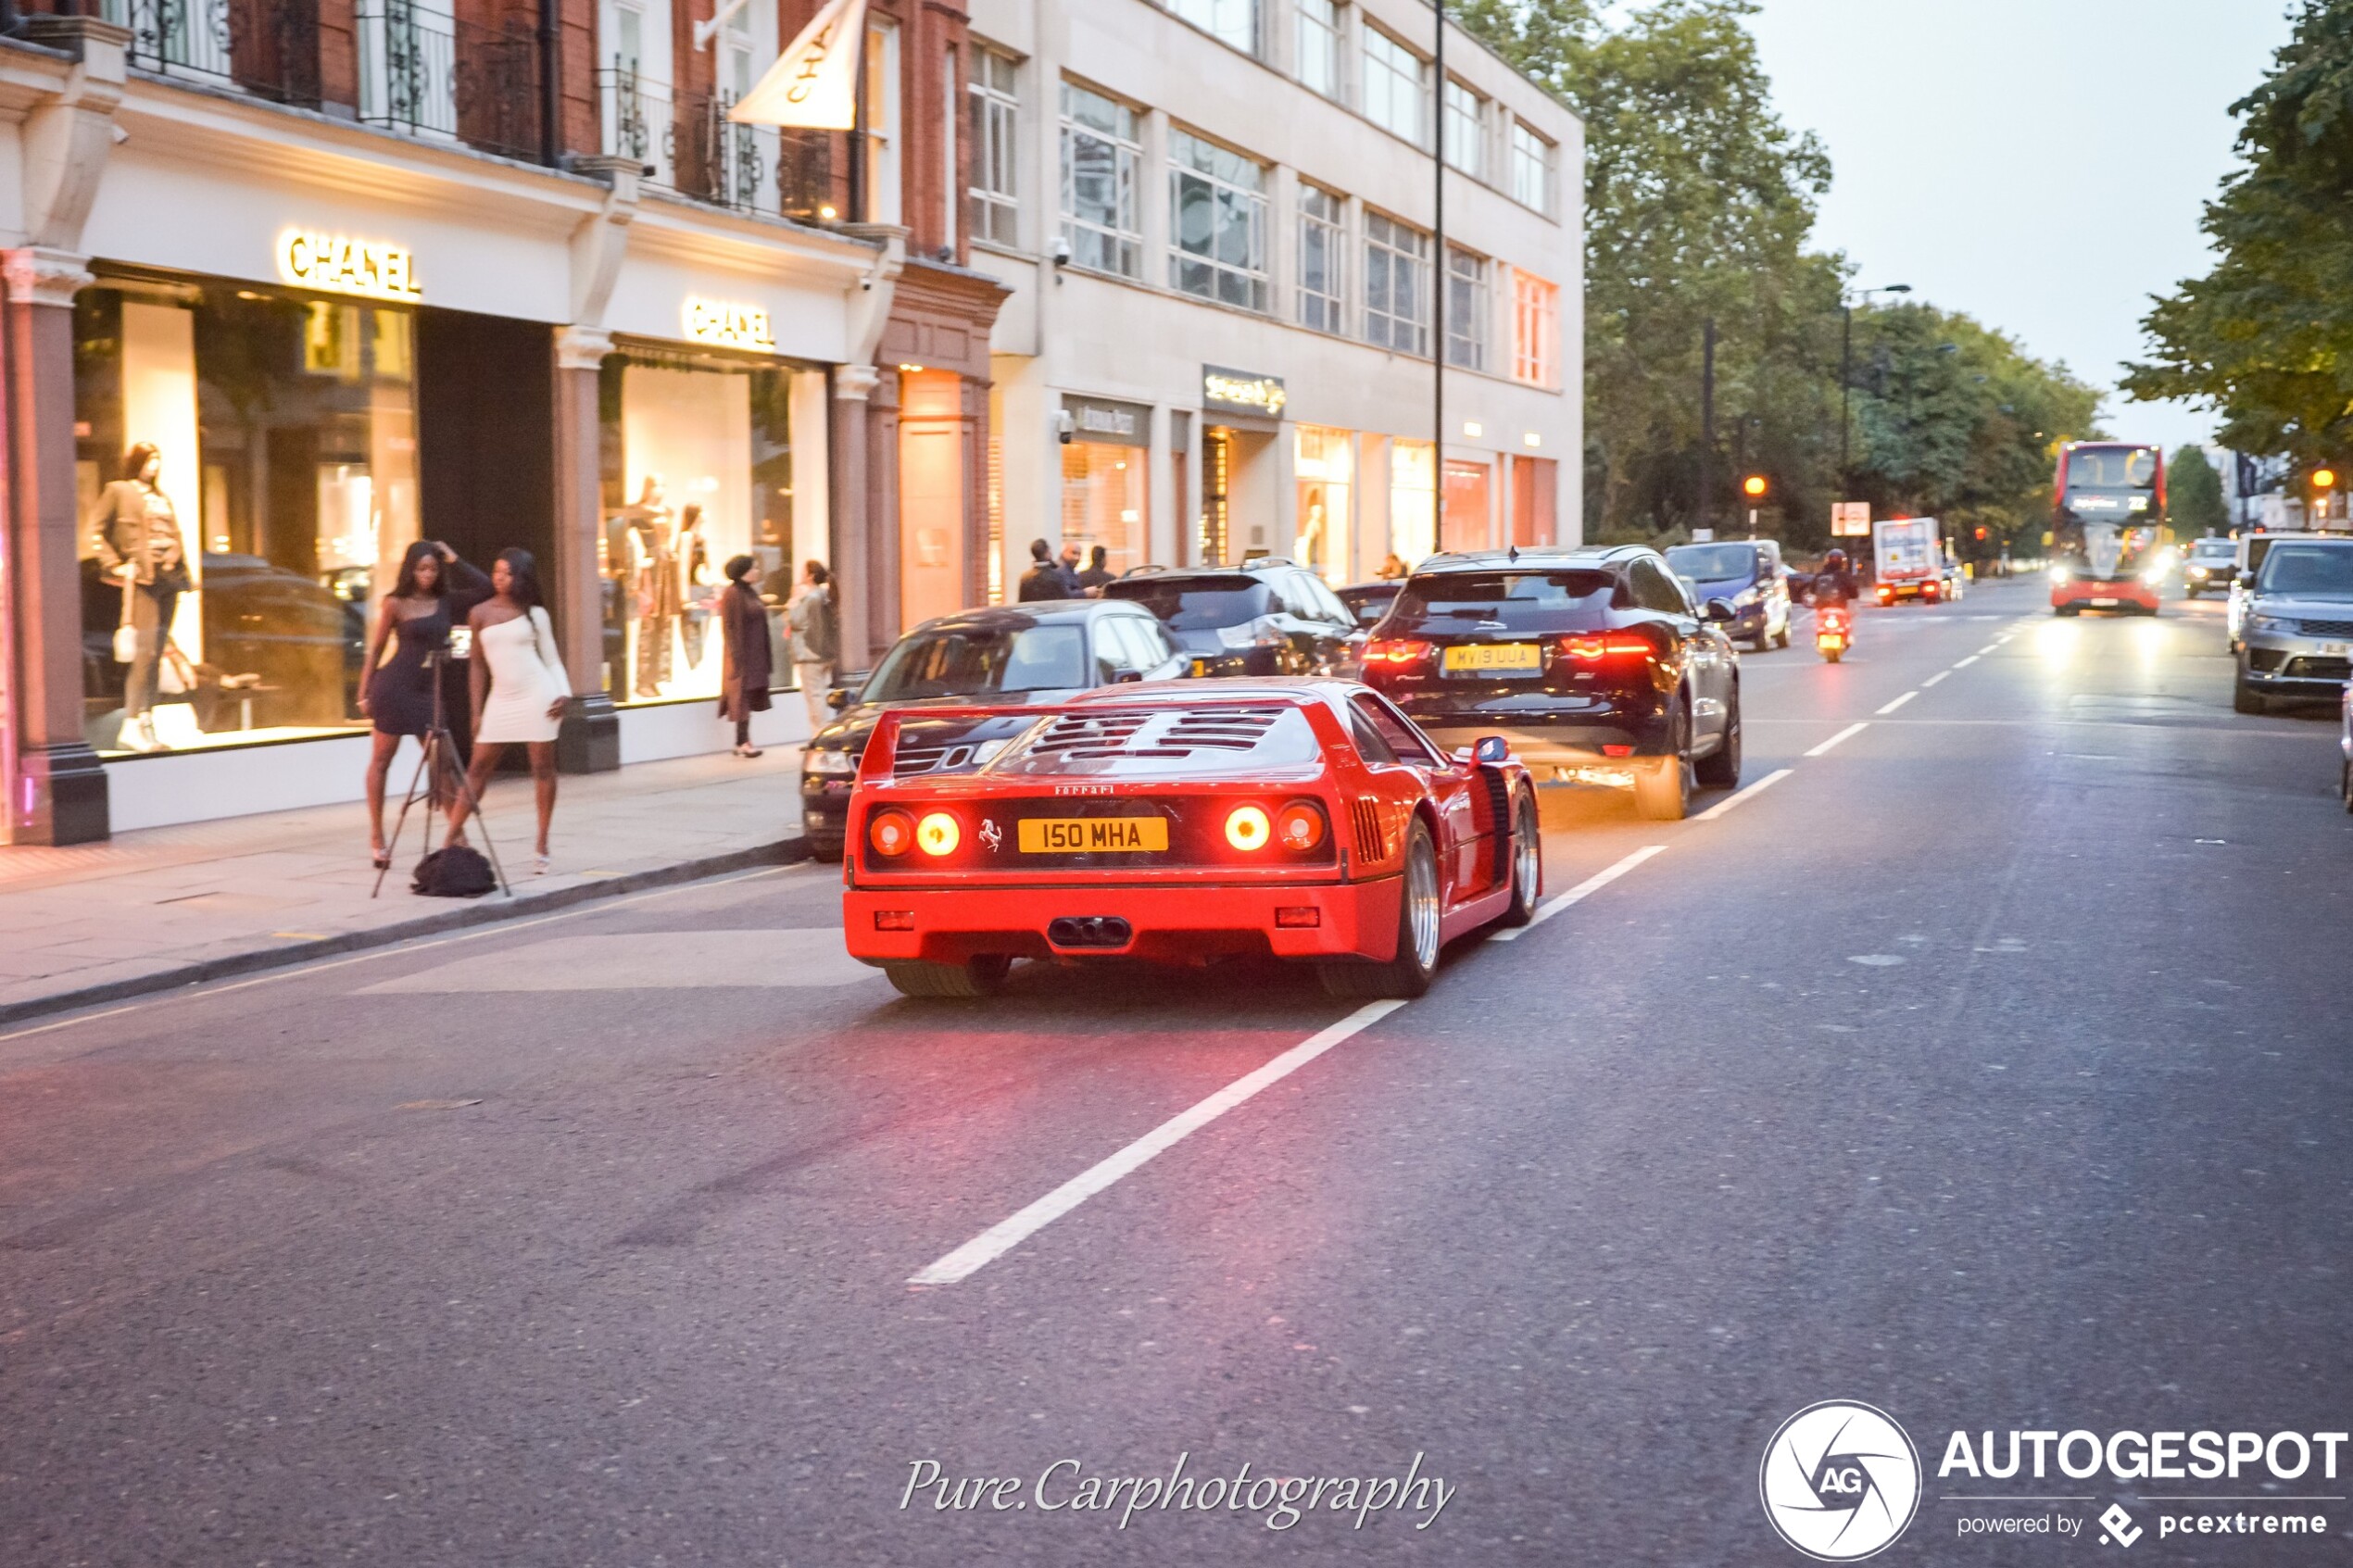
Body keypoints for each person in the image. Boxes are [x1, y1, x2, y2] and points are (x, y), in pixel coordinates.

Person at [359, 541, 486, 870]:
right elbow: (375, 650)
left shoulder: (446, 601)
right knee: (382, 760)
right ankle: (377, 836)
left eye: (433, 568)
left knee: (441, 765)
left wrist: (454, 557)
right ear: (410, 570)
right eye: (421, 568)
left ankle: (457, 837)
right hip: (394, 687)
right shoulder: (395, 603)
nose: (427, 574)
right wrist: (364, 691)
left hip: (429, 692)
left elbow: (485, 587)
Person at [446, 549, 570, 877]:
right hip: (500, 699)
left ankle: (542, 842)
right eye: (497, 572)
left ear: (522, 578)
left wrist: (564, 691)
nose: (500, 578)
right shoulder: (479, 613)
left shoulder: (536, 614)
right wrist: (475, 712)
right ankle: (448, 842)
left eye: (508, 574)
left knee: (542, 768)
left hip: (538, 695)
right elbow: (475, 664)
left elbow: (552, 659)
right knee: (477, 770)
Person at [89, 443, 189, 754]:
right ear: (137, 462)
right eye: (149, 459)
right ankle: (133, 723)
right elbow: (94, 530)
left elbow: (173, 533)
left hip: (169, 577)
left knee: (157, 651)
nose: (154, 465)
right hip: (144, 577)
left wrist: (175, 556)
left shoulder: (161, 497)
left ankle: (147, 719)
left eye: (158, 459)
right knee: (145, 654)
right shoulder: (119, 490)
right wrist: (113, 563)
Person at [718, 554, 773, 758]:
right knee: (742, 698)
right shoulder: (732, 594)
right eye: (754, 568)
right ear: (743, 571)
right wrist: (736, 657)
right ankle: (743, 741)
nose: (757, 571)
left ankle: (741, 741)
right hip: (742, 656)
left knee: (747, 698)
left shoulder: (751, 592)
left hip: (755, 654)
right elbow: (730, 628)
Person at [786, 560, 837, 732]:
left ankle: (819, 734)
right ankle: (819, 732)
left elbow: (795, 620)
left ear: (810, 576)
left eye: (803, 572)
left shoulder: (810, 598)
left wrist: (793, 601)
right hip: (825, 652)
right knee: (819, 694)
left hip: (810, 654)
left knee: (814, 696)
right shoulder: (825, 595)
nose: (800, 575)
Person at [1017, 538, 1070, 602]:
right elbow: (1066, 599)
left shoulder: (1024, 578)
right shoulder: (1057, 576)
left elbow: (1022, 602)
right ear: (1047, 552)